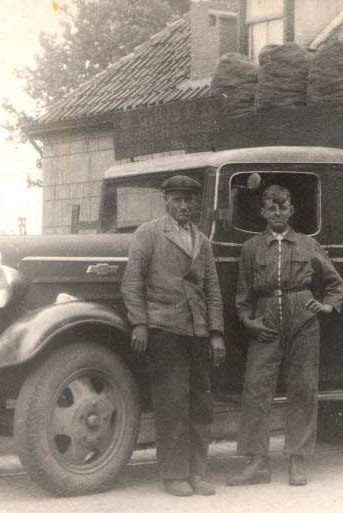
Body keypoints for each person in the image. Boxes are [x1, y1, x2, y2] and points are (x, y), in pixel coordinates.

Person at [227, 184, 343, 487]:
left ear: (291, 211)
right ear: (263, 212)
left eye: (283, 208)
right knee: (256, 388)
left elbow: (334, 282)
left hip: (302, 319)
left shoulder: (308, 244)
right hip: (265, 320)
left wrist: (327, 306)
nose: (277, 213)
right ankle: (257, 462)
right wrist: (248, 321)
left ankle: (297, 459)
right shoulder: (251, 248)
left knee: (303, 387)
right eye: (272, 208)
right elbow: (243, 295)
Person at [121, 175, 226, 497]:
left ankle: (197, 472)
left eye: (189, 200)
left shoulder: (202, 241)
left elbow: (212, 290)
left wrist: (216, 333)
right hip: (164, 330)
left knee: (200, 405)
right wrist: (139, 323)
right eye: (177, 199)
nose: (183, 206)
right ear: (166, 200)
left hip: (197, 332)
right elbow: (132, 282)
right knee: (172, 404)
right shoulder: (149, 233)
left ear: (196, 204)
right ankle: (174, 474)